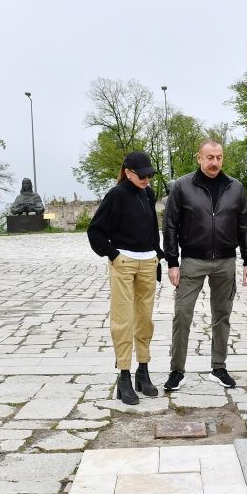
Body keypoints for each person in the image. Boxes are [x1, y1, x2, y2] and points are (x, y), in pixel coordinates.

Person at [163, 139, 247, 391]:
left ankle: (219, 367)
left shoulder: (235, 187)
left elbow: (245, 226)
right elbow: (170, 225)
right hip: (192, 261)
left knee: (222, 315)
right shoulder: (182, 186)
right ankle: (177, 371)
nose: (214, 162)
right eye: (210, 157)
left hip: (225, 261)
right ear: (199, 158)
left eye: (219, 157)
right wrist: (172, 262)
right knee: (182, 314)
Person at [87, 151, 163, 405]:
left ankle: (143, 371)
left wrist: (157, 253)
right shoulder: (116, 195)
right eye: (142, 175)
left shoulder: (148, 193)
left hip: (148, 262)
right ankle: (124, 375)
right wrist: (113, 254)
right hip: (124, 262)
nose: (146, 179)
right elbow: (95, 231)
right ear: (128, 172)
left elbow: (152, 228)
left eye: (149, 175)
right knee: (123, 319)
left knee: (145, 319)